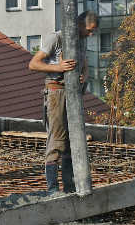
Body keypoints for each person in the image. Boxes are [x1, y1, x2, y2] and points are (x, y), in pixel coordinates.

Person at [28, 11, 98, 192]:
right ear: (81, 25)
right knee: (57, 140)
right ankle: (52, 188)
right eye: (89, 30)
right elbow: (33, 64)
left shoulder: (80, 41)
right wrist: (57, 67)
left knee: (71, 141)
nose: (91, 35)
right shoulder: (57, 38)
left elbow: (85, 65)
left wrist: (84, 76)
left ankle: (70, 186)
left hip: (73, 93)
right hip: (56, 91)